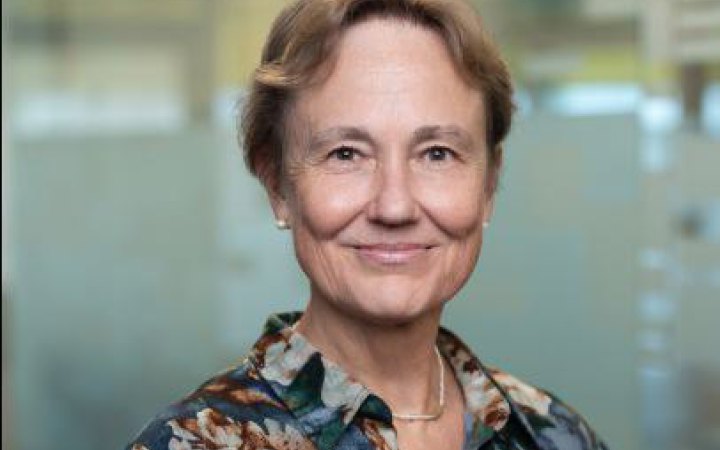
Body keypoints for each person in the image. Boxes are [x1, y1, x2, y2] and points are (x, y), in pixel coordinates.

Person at [127, 0, 608, 449]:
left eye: (437, 153)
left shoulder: (555, 434)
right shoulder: (195, 441)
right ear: (277, 186)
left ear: (489, 185)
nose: (394, 206)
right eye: (346, 154)